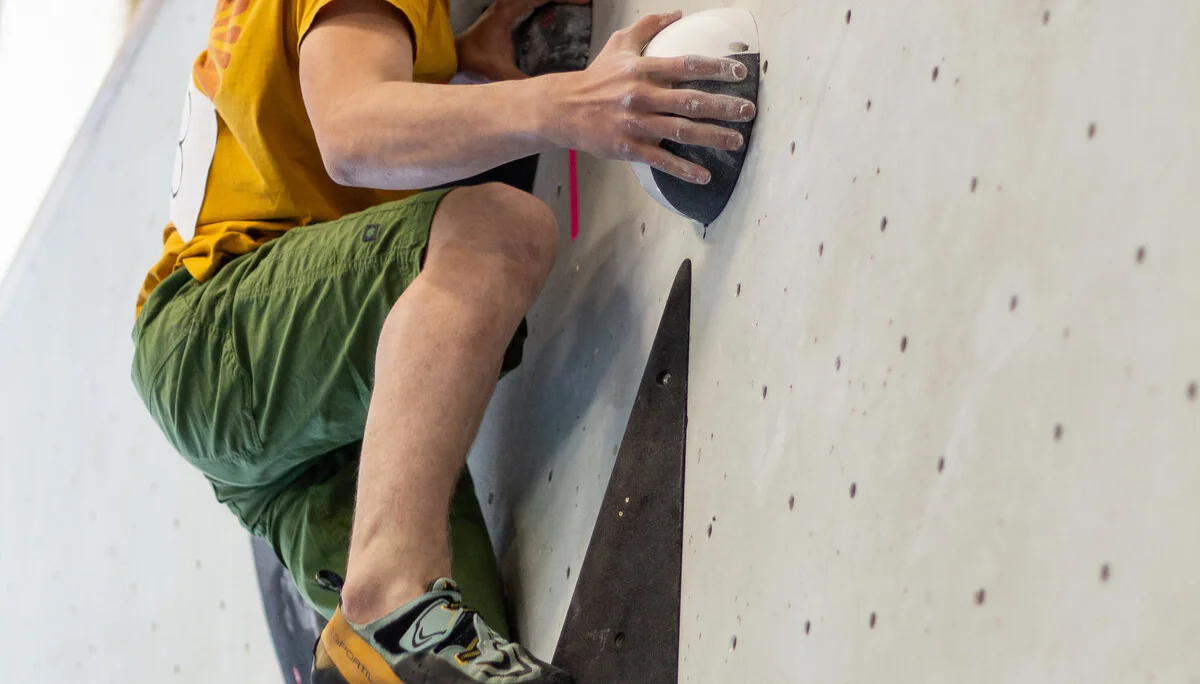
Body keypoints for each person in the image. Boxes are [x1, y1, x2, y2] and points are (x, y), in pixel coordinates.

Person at [130, 0, 755, 681]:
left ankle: (386, 609)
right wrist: (570, 101)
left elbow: (302, 120)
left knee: (450, 659)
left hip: (279, 403)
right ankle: (389, 594)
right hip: (223, 335)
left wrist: (451, 61)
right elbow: (352, 132)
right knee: (496, 233)